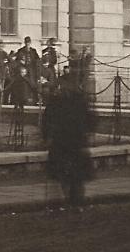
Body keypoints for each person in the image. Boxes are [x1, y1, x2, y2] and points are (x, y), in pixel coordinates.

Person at [42, 75, 95, 208]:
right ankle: (76, 202)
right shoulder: (79, 100)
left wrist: (46, 136)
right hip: (75, 141)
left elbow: (47, 120)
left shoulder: (57, 101)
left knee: (64, 174)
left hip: (63, 141)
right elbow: (91, 119)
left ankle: (70, 201)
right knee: (75, 175)